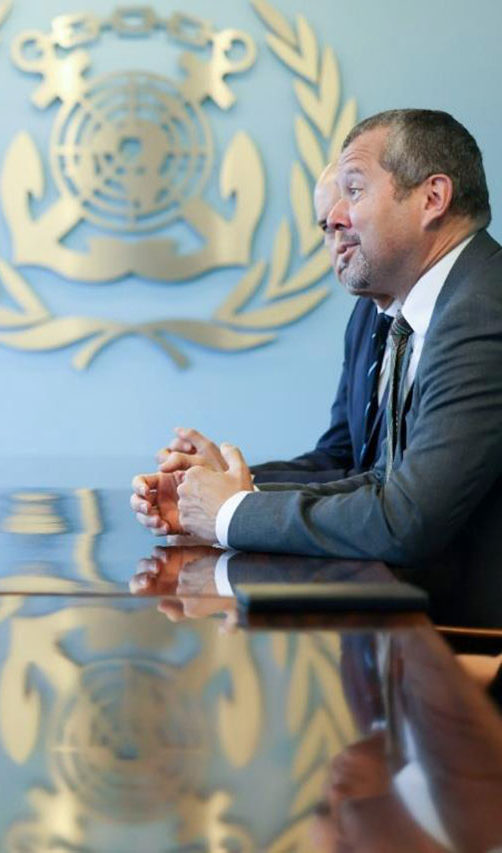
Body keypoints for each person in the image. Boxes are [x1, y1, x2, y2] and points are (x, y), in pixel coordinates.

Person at [132, 109, 502, 624]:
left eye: (354, 190)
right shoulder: (451, 301)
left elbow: (405, 519)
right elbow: (376, 476)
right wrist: (229, 495)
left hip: (467, 642)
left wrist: (231, 513)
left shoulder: (483, 308)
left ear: (432, 198)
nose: (336, 219)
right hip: (408, 623)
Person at [157, 162, 397, 484]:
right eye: (326, 227)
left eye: (346, 219)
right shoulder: (366, 317)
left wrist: (235, 496)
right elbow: (339, 458)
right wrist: (229, 479)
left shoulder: (440, 319)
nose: (338, 239)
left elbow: (386, 488)